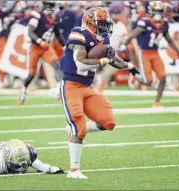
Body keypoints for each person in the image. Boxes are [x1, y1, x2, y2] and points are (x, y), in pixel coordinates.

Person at [60, 7, 141, 179]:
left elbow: (113, 58)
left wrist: (129, 67)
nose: (105, 28)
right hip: (71, 86)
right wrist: (102, 60)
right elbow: (81, 64)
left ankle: (74, 128)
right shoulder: (78, 34)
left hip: (88, 87)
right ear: (90, 23)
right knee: (79, 129)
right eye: (101, 24)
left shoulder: (102, 38)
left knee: (108, 122)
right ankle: (74, 171)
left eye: (106, 24)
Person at [121, 1, 179, 107]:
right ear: (150, 11)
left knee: (163, 77)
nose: (158, 13)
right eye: (156, 11)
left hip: (155, 53)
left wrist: (178, 51)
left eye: (160, 11)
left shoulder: (164, 23)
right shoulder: (145, 22)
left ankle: (157, 102)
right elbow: (131, 35)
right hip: (145, 54)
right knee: (148, 82)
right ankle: (134, 75)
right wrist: (124, 45)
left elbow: (169, 39)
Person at [18, 1, 65, 105]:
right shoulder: (37, 15)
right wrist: (39, 41)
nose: (48, 7)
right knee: (31, 74)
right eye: (47, 4)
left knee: (57, 65)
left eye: (50, 5)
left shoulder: (56, 17)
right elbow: (30, 31)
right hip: (35, 47)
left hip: (46, 48)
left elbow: (57, 34)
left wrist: (65, 46)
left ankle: (59, 91)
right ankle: (23, 90)